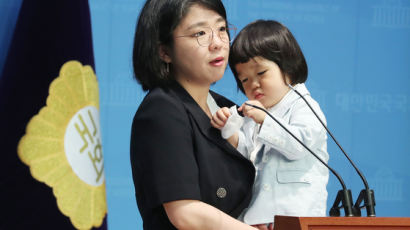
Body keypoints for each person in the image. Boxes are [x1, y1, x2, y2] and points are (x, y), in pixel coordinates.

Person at [130, 0, 259, 229]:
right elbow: (186, 213)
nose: (217, 43)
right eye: (200, 33)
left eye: (221, 29)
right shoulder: (162, 109)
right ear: (164, 51)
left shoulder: (229, 109)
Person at [211, 20, 329, 228]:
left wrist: (265, 119)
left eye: (261, 73)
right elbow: (247, 153)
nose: (253, 84)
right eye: (245, 80)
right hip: (259, 220)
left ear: (288, 67)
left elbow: (299, 146)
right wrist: (228, 129)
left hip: (297, 218)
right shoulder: (255, 113)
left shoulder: (304, 106)